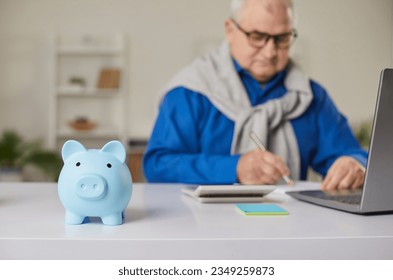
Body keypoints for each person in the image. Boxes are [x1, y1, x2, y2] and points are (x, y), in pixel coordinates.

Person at [143, 0, 367, 190]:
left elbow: (350, 154)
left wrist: (353, 164)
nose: (270, 51)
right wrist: (235, 168)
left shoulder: (311, 96)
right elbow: (158, 165)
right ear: (230, 30)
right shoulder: (190, 91)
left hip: (292, 230)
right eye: (257, 36)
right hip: (203, 231)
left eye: (282, 38)